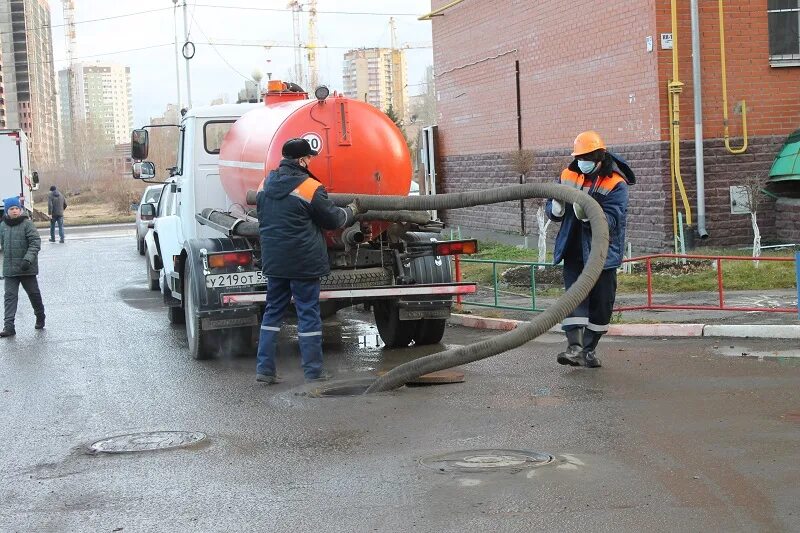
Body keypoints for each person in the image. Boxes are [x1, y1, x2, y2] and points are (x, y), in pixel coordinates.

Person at [255, 138, 363, 384]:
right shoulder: (309, 187)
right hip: (303, 262)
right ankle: (313, 371)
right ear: (302, 160)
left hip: (275, 261)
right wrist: (353, 211)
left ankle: (264, 369)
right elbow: (334, 220)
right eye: (309, 157)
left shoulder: (264, 184)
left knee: (272, 313)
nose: (311, 161)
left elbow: (263, 216)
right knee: (308, 314)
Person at [546, 131, 634, 368]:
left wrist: (589, 215)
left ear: (599, 156)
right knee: (574, 297)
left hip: (602, 253)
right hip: (573, 248)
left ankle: (588, 350)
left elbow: (613, 219)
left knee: (601, 303)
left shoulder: (615, 183)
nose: (582, 162)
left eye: (587, 157)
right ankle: (573, 347)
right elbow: (553, 211)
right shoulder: (568, 174)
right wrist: (554, 207)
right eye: (579, 157)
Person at [0, 196, 45, 337]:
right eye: (11, 209)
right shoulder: (2, 225)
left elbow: (35, 242)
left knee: (34, 294)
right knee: (9, 297)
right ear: (7, 211)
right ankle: (9, 327)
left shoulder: (27, 224)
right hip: (10, 269)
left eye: (16, 209)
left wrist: (28, 260)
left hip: (27, 268)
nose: (14, 211)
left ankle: (40, 316)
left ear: (20, 210)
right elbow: (2, 247)